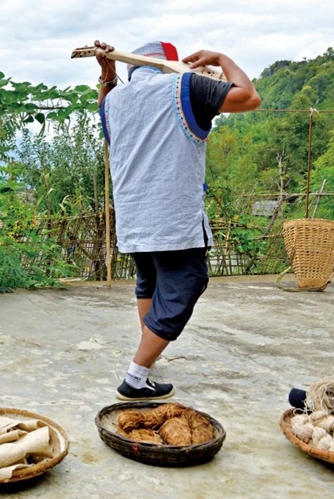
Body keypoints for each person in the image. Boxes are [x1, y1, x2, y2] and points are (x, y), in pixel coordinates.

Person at [95, 40, 261, 400]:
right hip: (172, 218)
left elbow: (104, 102)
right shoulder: (185, 86)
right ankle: (136, 377)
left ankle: (147, 360)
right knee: (186, 282)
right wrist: (221, 56)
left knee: (150, 283)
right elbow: (248, 97)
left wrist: (106, 73)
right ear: (170, 64)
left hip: (134, 217)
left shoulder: (114, 100)